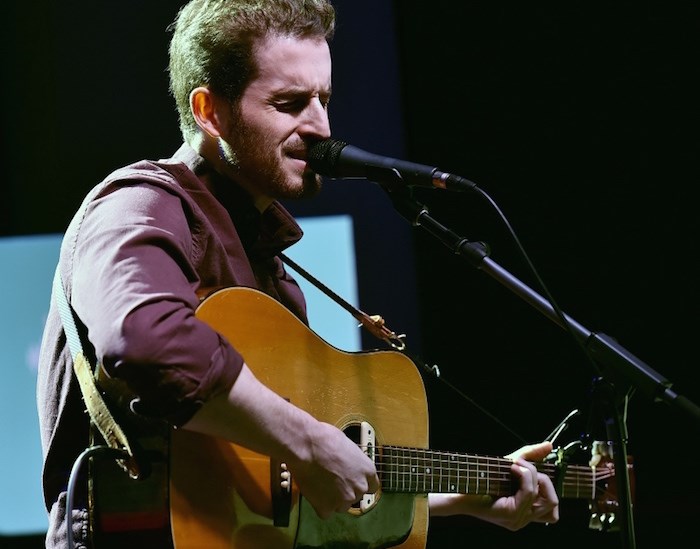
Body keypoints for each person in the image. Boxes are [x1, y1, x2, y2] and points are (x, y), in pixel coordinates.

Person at [36, 0, 559, 547]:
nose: (320, 127)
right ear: (210, 112)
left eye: (323, 100)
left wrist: (462, 498)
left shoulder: (272, 270)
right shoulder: (140, 204)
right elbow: (145, 338)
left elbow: (278, 485)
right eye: (289, 104)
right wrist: (309, 442)